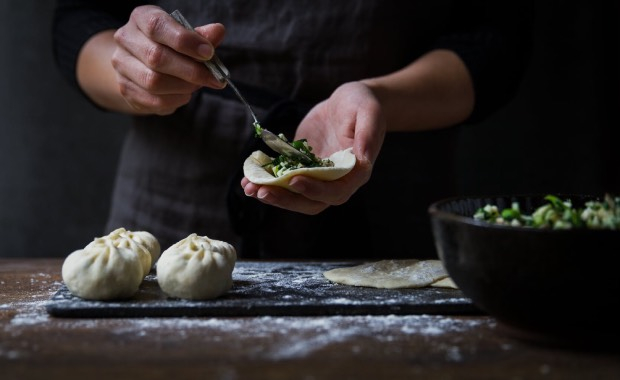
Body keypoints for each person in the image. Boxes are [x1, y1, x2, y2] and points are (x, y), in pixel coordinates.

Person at [53, 1, 533, 260]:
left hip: (389, 186)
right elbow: (78, 17)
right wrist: (134, 74)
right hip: (174, 203)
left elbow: (495, 46)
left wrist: (379, 99)